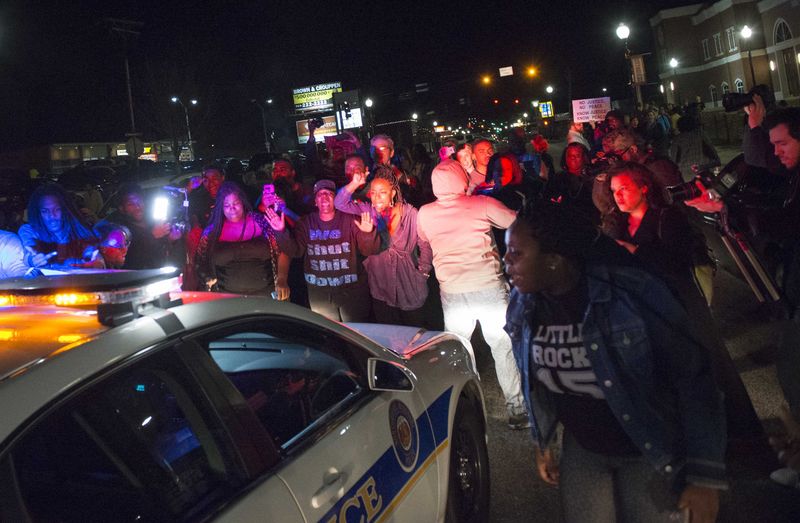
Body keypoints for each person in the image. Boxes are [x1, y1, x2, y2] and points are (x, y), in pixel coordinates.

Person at [504, 199, 726, 523]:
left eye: (516, 253)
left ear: (553, 259)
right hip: (584, 450)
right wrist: (543, 439)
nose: (505, 262)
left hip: (649, 448)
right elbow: (535, 379)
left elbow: (693, 377)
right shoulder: (523, 303)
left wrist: (704, 477)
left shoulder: (628, 292)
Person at [417, 159, 527, 429]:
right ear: (461, 180)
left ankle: (471, 409)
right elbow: (515, 221)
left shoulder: (425, 213)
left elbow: (424, 239)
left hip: (452, 293)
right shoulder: (481, 204)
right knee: (502, 348)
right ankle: (516, 408)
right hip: (488, 287)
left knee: (460, 352)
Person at [267, 179, 380, 322]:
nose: (324, 197)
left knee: (357, 334)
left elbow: (369, 250)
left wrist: (368, 233)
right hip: (320, 294)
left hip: (352, 292)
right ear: (315, 201)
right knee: (329, 335)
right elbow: (295, 251)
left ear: (336, 199)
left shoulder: (350, 220)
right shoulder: (306, 223)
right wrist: (281, 231)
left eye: (329, 193)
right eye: (320, 194)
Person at [336, 165, 433, 327]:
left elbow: (425, 244)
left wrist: (423, 272)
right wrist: (354, 184)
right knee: (390, 333)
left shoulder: (410, 214)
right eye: (373, 193)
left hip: (409, 282)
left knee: (415, 333)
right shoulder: (368, 211)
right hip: (380, 283)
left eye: (382, 192)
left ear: (393, 193)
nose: (376, 198)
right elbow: (339, 203)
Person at [194, 182, 289, 297]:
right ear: (221, 208)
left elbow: (283, 250)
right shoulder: (212, 233)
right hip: (227, 299)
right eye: (226, 205)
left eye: (236, 203)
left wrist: (282, 279)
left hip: (266, 295)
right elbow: (200, 262)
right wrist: (207, 279)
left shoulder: (262, 222)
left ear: (242, 202)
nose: (232, 208)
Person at [18, 184, 104, 270]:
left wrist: (96, 262)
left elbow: (96, 258)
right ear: (38, 213)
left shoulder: (80, 230)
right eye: (45, 211)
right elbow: (28, 253)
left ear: (65, 210)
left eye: (57, 209)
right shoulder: (29, 230)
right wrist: (32, 260)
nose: (52, 216)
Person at [105, 183, 183, 270]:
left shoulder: (153, 221)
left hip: (163, 274)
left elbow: (163, 251)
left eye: (139, 201)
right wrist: (152, 236)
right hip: (143, 279)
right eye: (131, 204)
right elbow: (128, 262)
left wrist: (171, 240)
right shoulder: (119, 232)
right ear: (122, 208)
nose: (137, 207)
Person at [670, 115, 720, 182]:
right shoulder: (700, 135)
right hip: (703, 174)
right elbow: (715, 157)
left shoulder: (676, 140)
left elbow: (673, 161)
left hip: (685, 177)